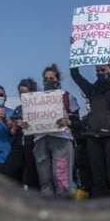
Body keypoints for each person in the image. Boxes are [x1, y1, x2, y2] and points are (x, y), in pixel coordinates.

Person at [70, 41, 110, 197]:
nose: (101, 72)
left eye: (104, 69)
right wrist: (74, 50)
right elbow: (75, 75)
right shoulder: (92, 90)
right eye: (98, 70)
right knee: (98, 177)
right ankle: (99, 208)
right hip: (93, 138)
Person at [29, 64, 81, 198]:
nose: (48, 81)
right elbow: (30, 119)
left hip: (61, 141)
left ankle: (65, 212)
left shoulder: (67, 97)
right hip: (40, 141)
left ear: (58, 80)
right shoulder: (35, 99)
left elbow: (77, 121)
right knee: (45, 183)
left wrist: (68, 122)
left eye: (51, 78)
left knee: (62, 182)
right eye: (45, 79)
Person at [0, 78, 40, 190]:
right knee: (6, 173)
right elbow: (12, 131)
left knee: (32, 181)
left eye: (25, 94)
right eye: (20, 94)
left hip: (33, 147)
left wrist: (30, 125)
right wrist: (15, 125)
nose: (22, 97)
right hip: (17, 147)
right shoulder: (18, 109)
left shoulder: (40, 108)